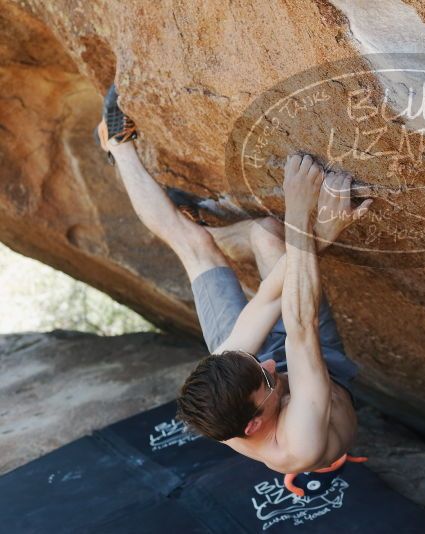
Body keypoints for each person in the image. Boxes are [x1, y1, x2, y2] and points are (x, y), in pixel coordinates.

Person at [95, 84, 373, 475]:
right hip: (320, 366)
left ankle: (125, 151)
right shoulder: (300, 443)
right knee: (243, 238)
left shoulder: (233, 373)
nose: (271, 364)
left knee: (222, 240)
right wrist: (303, 212)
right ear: (253, 425)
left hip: (292, 368)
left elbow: (269, 302)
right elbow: (299, 328)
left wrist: (316, 226)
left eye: (259, 365)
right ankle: (130, 158)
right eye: (265, 377)